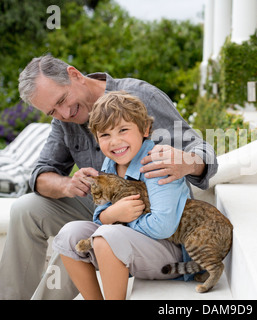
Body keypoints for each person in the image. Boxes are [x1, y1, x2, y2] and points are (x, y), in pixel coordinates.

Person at [0, 55, 217, 300]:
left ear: (74, 74)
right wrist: (68, 184)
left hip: (155, 217)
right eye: (52, 111)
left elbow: (202, 150)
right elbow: (40, 174)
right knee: (25, 208)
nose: (64, 113)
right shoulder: (63, 119)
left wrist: (187, 163)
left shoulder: (141, 97)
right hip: (105, 209)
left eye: (62, 100)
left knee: (81, 237)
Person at [54, 91, 193, 300]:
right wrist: (111, 215)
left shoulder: (158, 163)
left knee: (106, 237)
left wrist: (122, 220)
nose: (115, 142)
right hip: (135, 245)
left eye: (123, 130)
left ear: (145, 129)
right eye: (105, 135)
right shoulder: (112, 163)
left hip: (171, 252)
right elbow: (101, 213)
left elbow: (163, 226)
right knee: (69, 234)